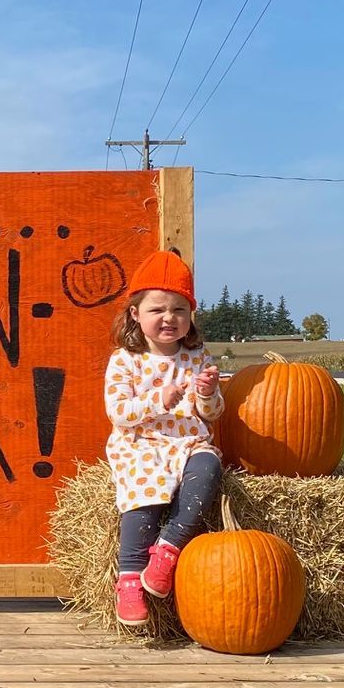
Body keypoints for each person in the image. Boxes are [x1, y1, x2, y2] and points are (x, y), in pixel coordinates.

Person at [103, 249, 223, 629]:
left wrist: (207, 394)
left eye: (179, 310)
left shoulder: (197, 356)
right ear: (136, 314)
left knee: (208, 468)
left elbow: (213, 415)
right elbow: (118, 412)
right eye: (157, 310)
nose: (168, 318)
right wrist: (158, 399)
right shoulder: (126, 360)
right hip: (142, 444)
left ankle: (169, 548)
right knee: (144, 493)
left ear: (190, 317)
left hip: (187, 443)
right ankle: (130, 578)